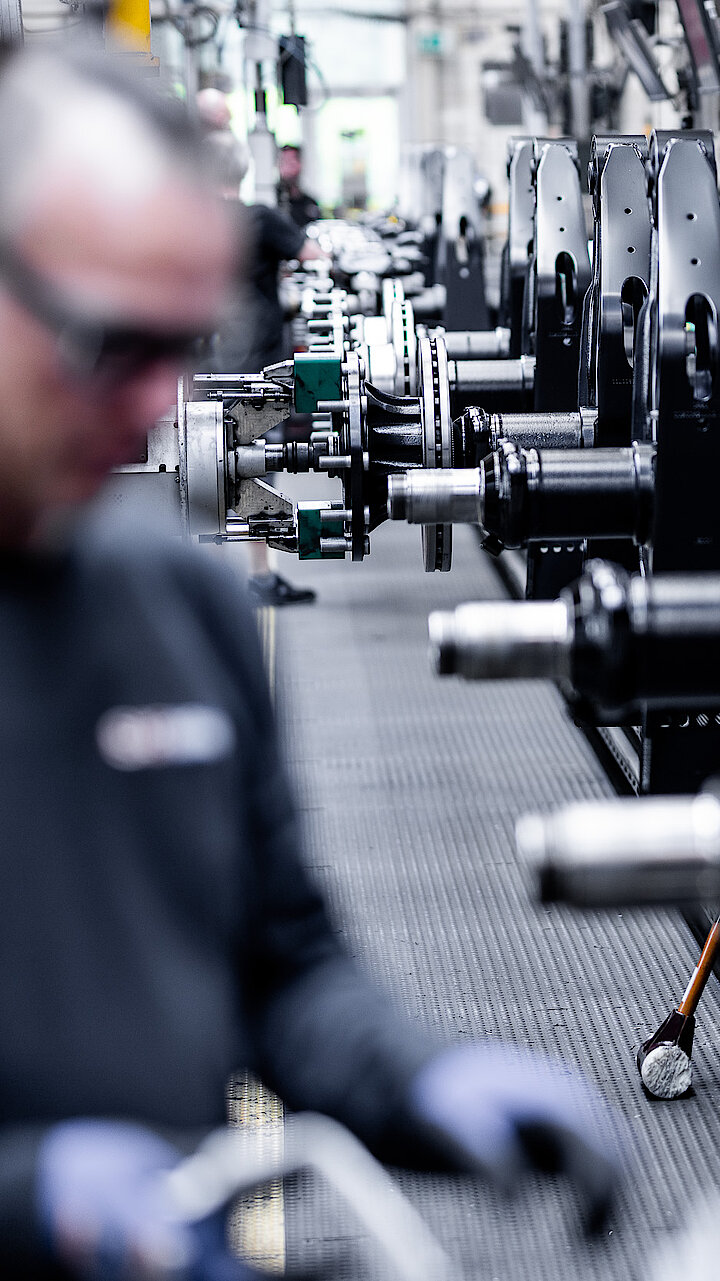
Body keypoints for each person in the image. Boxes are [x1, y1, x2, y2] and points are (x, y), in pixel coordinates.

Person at [0, 46, 626, 1280]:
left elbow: (281, 968)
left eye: (182, 345)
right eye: (109, 346)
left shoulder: (176, 602)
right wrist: (28, 1192)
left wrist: (415, 1077)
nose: (153, 407)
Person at [198, 96, 325, 606]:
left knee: (200, 466)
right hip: (260, 371)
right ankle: (259, 577)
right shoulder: (262, 219)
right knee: (253, 466)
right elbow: (315, 254)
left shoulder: (193, 222)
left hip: (204, 367)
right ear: (244, 169)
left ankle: (205, 583)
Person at [277, 144, 322, 226]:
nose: (288, 168)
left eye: (292, 162)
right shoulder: (273, 201)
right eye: (285, 162)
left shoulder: (310, 203)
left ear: (300, 164)